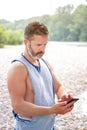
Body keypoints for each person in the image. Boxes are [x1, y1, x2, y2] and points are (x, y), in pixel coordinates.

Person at [7, 21, 75, 130]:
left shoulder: (45, 63)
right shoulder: (18, 68)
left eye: (45, 44)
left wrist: (65, 96)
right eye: (38, 45)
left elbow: (58, 87)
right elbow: (18, 106)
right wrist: (52, 110)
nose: (42, 50)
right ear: (26, 42)